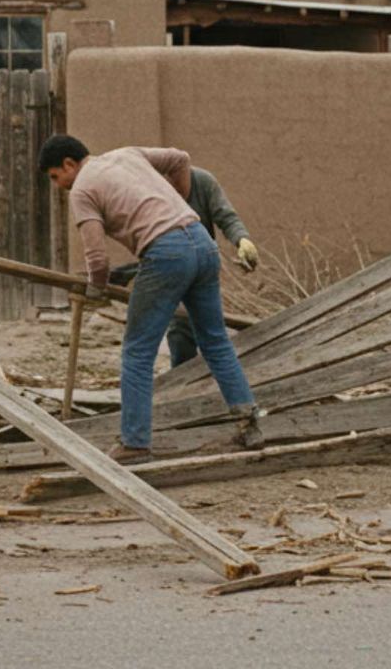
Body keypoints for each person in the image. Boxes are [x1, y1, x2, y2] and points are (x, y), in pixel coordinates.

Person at [40, 134, 262, 462]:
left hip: (165, 253)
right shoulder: (127, 153)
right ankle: (249, 424)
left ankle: (135, 442)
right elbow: (180, 158)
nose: (58, 186)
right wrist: (178, 204)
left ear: (69, 164)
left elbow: (97, 259)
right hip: (201, 241)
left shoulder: (83, 189)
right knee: (215, 341)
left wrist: (95, 292)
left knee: (137, 352)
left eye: (56, 177)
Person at [109, 166, 260, 367]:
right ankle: (180, 380)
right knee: (180, 328)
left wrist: (242, 240)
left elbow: (226, 216)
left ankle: (216, 379)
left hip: (201, 263)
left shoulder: (203, 182)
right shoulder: (152, 188)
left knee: (210, 330)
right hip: (168, 264)